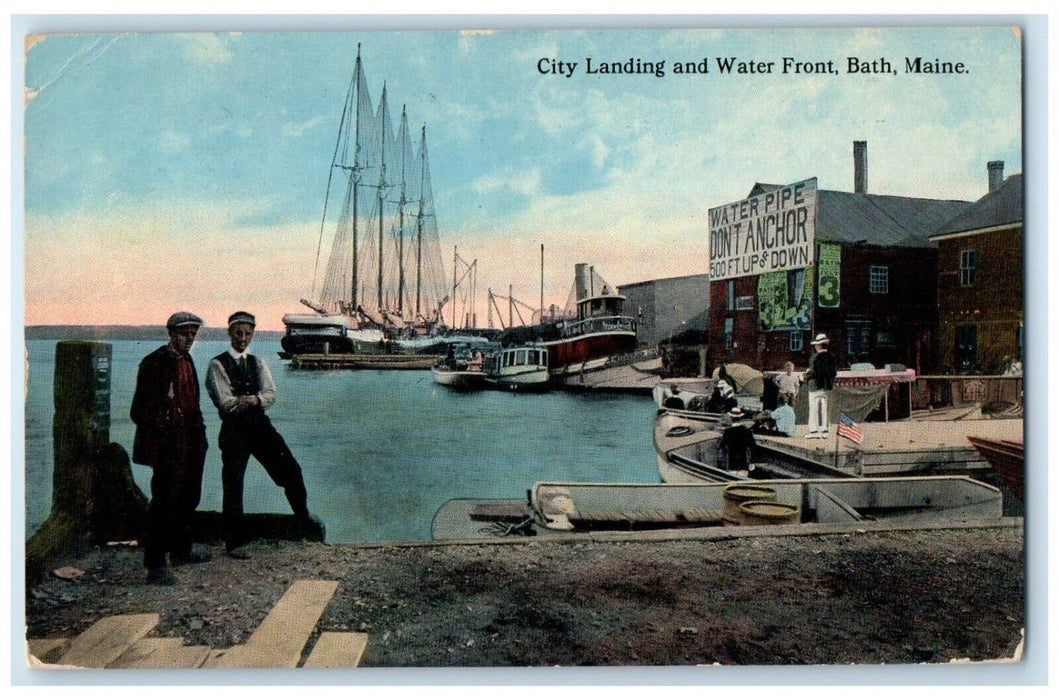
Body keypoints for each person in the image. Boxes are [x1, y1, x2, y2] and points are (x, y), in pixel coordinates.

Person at [206, 311, 321, 559]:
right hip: (234, 431)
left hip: (259, 426)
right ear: (230, 333)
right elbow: (225, 402)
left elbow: (271, 393)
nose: (243, 338)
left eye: (247, 334)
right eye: (238, 333)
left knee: (291, 470)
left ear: (253, 334)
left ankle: (303, 518)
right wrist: (251, 401)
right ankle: (234, 543)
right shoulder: (217, 365)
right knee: (233, 485)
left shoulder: (258, 362)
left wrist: (255, 399)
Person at [131, 311, 211, 585]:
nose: (189, 339)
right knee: (164, 502)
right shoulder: (153, 363)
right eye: (183, 333)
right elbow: (138, 411)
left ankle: (180, 549)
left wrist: (199, 435)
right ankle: (155, 565)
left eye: (192, 334)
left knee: (189, 496)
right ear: (171, 334)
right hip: (168, 446)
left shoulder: (187, 361)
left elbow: (192, 403)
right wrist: (163, 421)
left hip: (191, 442)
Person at [804, 333, 837, 439]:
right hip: (827, 386)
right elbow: (834, 373)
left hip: (815, 386)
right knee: (825, 408)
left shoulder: (815, 357)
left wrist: (806, 375)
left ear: (819, 345)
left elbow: (813, 372)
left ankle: (814, 431)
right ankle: (825, 430)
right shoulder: (832, 357)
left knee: (813, 408)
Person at [719, 407, 755, 472]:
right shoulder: (747, 431)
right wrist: (751, 461)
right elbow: (753, 447)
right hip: (743, 464)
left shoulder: (728, 431)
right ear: (740, 418)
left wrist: (722, 463)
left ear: (731, 418)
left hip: (732, 464)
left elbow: (723, 447)